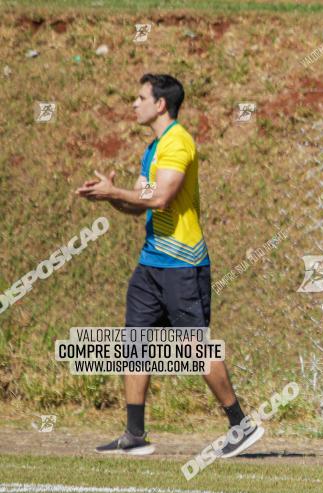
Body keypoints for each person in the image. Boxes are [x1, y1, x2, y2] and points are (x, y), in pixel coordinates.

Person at [76, 73, 262, 457]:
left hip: (182, 263)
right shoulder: (153, 147)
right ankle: (134, 434)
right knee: (136, 343)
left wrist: (116, 192)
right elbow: (141, 200)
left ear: (161, 104)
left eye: (140, 97)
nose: (134, 103)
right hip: (151, 262)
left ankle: (240, 425)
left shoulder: (178, 142)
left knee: (196, 349)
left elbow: (161, 198)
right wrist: (109, 198)